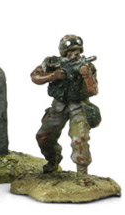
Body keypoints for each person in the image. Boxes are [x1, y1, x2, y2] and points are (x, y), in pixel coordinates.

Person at [31, 34, 100, 174]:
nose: (75, 54)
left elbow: (93, 90)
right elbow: (35, 77)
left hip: (79, 107)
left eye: (78, 50)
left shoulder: (87, 66)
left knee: (79, 138)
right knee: (43, 137)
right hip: (58, 106)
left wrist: (86, 75)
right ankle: (53, 160)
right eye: (71, 51)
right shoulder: (52, 62)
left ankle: (82, 173)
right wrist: (53, 76)